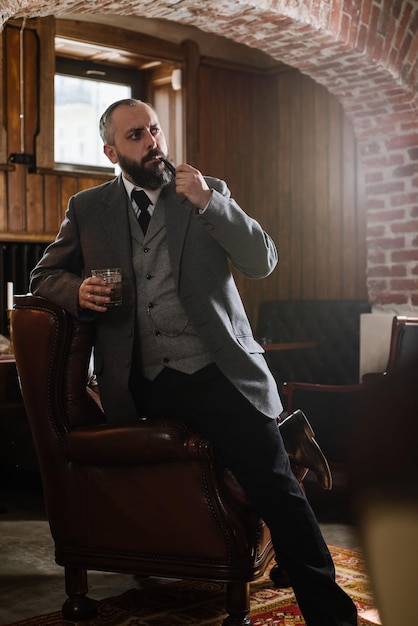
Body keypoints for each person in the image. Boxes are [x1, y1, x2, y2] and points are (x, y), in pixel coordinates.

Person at [30, 98, 357, 626]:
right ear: (112, 150)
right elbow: (42, 277)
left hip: (218, 371)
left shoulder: (205, 193)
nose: (152, 142)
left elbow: (262, 261)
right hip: (142, 385)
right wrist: (77, 290)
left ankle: (331, 614)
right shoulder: (88, 209)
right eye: (136, 135)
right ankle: (280, 437)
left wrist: (209, 202)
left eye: (155, 130)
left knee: (274, 484)